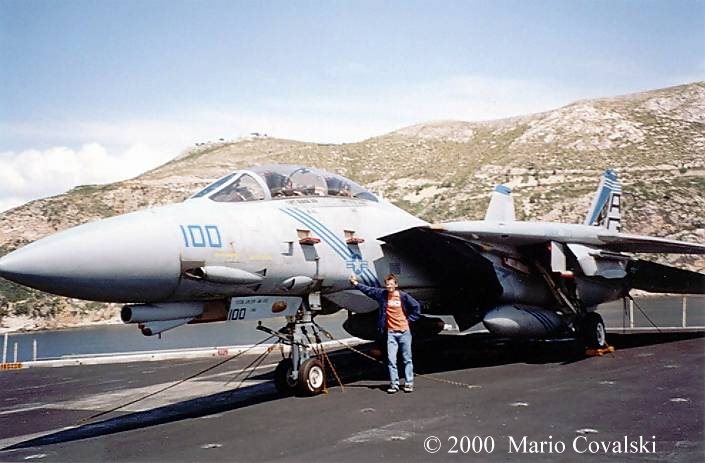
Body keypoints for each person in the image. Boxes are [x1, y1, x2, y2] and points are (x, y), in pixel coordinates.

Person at [349, 273, 421, 393]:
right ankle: (394, 384)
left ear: (396, 285)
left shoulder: (403, 296)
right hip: (391, 333)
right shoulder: (382, 295)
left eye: (391, 284)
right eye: (387, 284)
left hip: (404, 332)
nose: (389, 286)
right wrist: (356, 284)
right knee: (391, 360)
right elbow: (369, 290)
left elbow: (416, 307)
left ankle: (409, 383)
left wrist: (409, 320)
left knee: (407, 359)